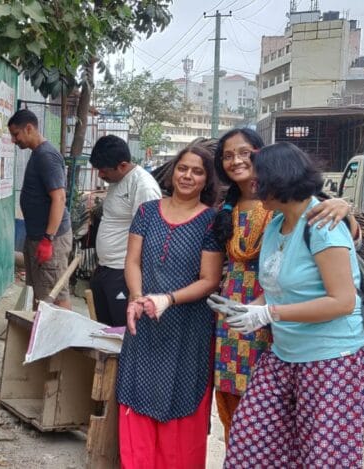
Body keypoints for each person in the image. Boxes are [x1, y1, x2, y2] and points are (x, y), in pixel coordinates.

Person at [215, 143, 364, 468]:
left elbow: (343, 302)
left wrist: (269, 313)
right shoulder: (275, 224)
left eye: (260, 180)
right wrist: (251, 310)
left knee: (323, 456)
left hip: (334, 358)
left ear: (280, 179)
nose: (255, 188)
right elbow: (275, 289)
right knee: (251, 441)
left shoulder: (322, 224)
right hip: (286, 354)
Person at [117, 145, 224, 468]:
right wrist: (138, 298)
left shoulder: (211, 221)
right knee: (136, 394)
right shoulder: (147, 212)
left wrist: (168, 299)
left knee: (181, 400)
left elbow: (210, 279)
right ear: (172, 171)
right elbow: (132, 261)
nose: (188, 176)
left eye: (197, 171)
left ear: (207, 180)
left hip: (188, 328)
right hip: (144, 321)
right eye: (183, 168)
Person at [88, 135, 162, 327]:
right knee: (103, 329)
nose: (100, 176)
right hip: (106, 268)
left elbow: (150, 235)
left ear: (122, 165)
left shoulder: (143, 186)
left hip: (122, 273)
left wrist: (135, 288)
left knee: (122, 332)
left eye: (103, 171)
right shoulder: (116, 181)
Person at [8, 109, 73, 309]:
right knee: (42, 293)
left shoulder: (46, 156)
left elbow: (59, 198)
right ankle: (43, 338)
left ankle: (64, 340)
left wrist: (48, 239)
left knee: (55, 296)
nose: (13, 140)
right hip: (37, 236)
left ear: (29, 128)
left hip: (50, 240)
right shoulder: (38, 154)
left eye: (16, 134)